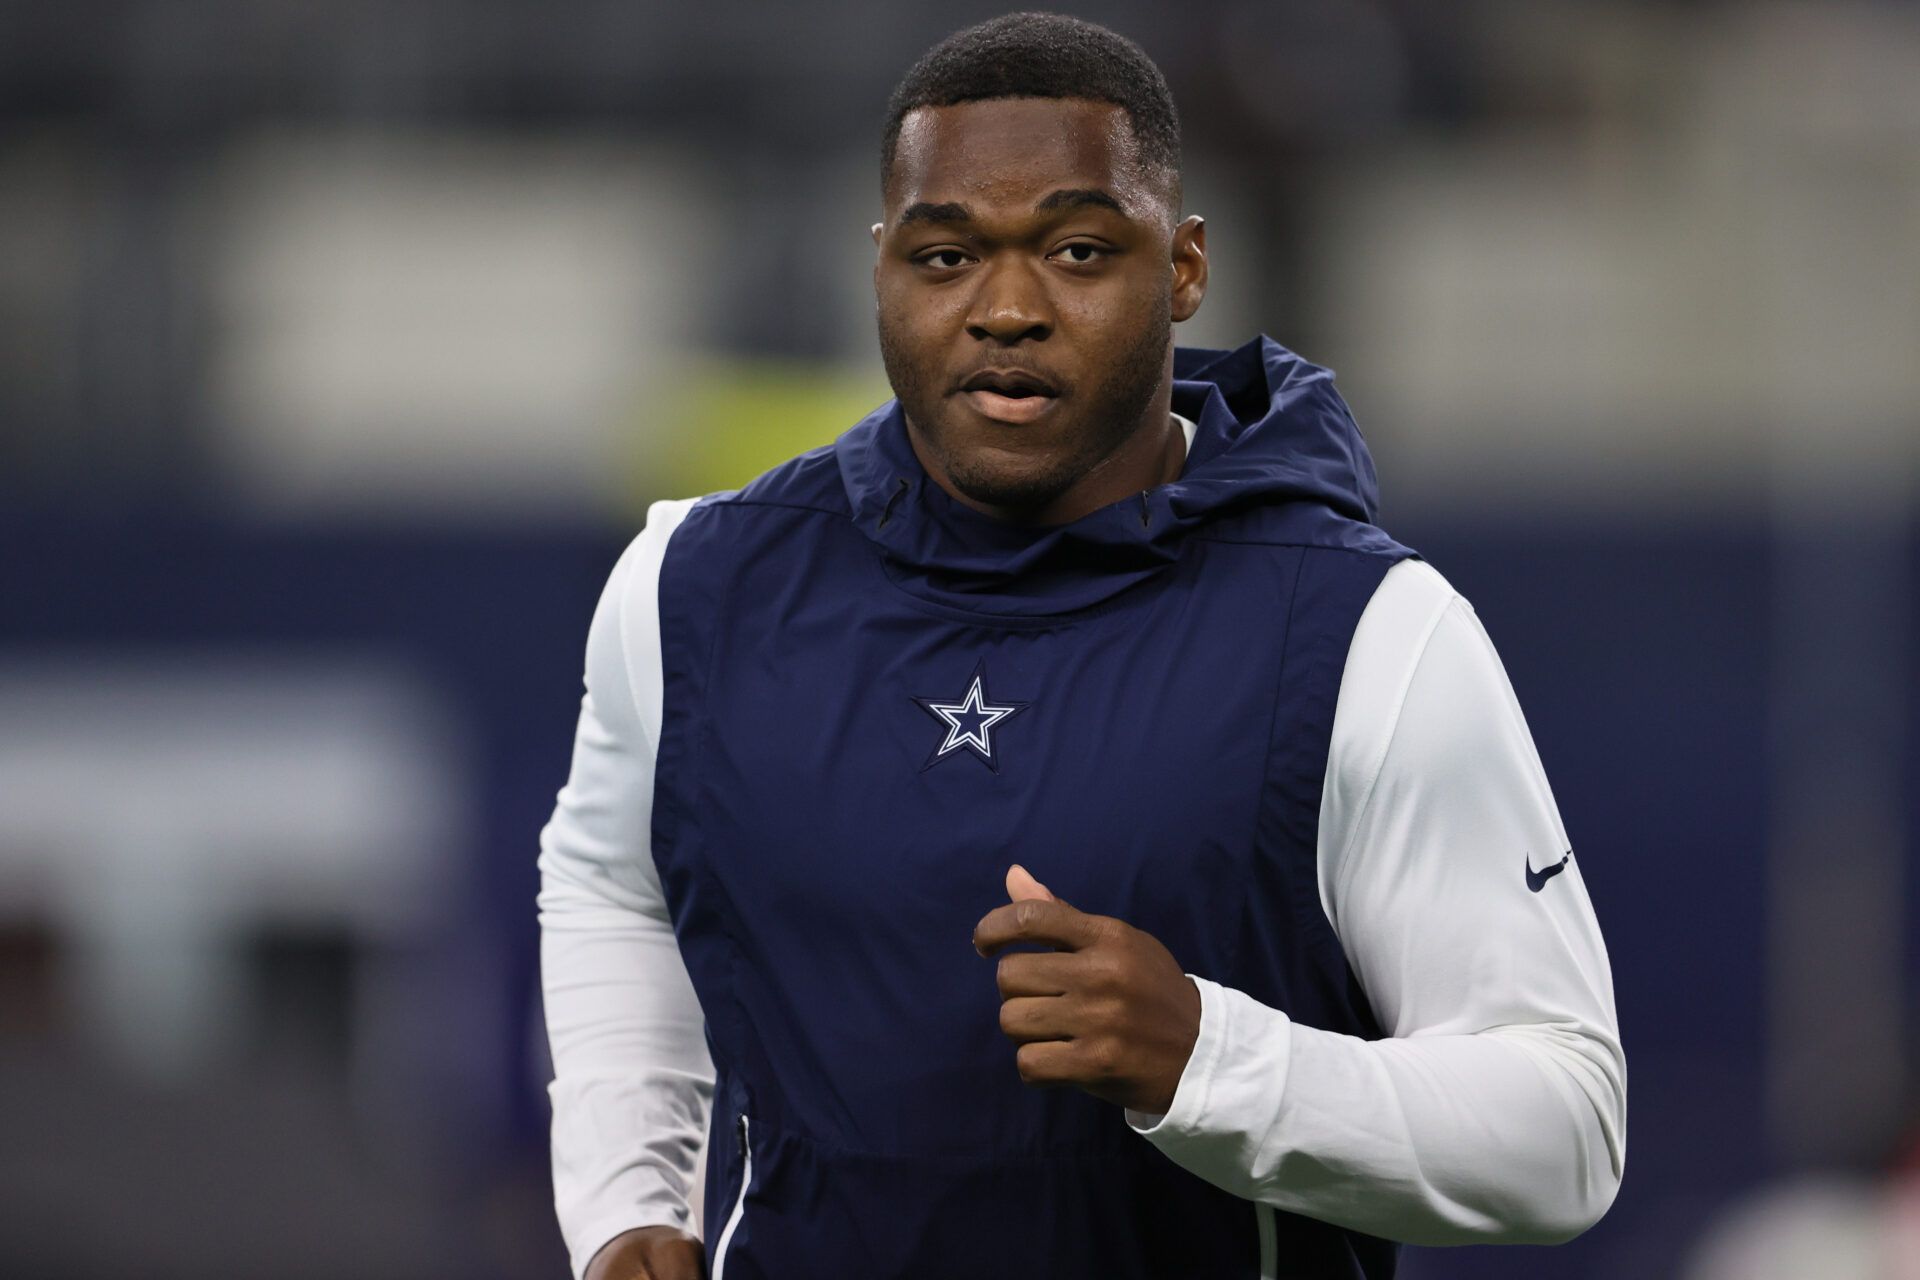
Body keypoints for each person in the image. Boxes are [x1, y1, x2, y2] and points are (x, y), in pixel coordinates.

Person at [537, 12, 1625, 1280]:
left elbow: (1567, 1129)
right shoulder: (694, 585)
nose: (1006, 307)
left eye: (1076, 248)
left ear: (1185, 268)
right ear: (881, 266)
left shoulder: (1369, 636)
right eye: (945, 256)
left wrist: (1207, 1059)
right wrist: (627, 1196)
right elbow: (614, 882)